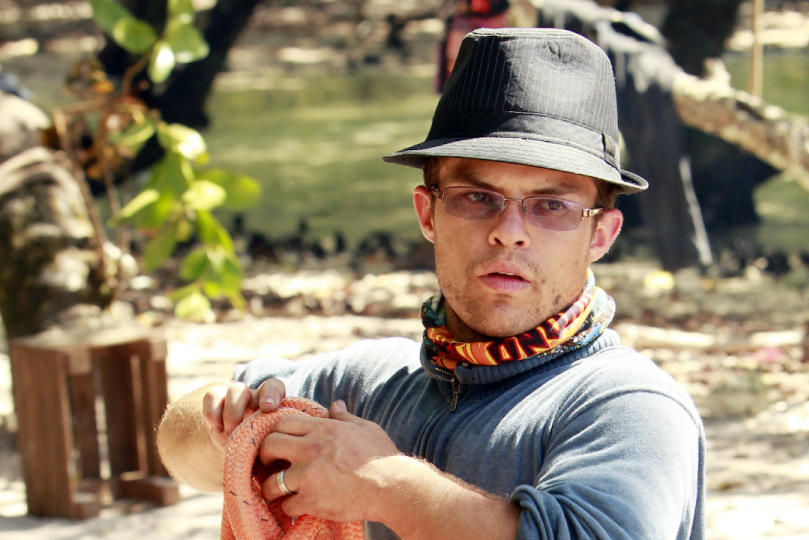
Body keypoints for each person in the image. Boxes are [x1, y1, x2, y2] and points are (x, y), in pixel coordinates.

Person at [158, 27, 705, 539]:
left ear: (601, 236)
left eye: (552, 206)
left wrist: (384, 485)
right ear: (428, 214)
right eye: (476, 197)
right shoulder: (369, 383)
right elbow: (175, 447)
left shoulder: (630, 406)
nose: (508, 233)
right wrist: (226, 422)